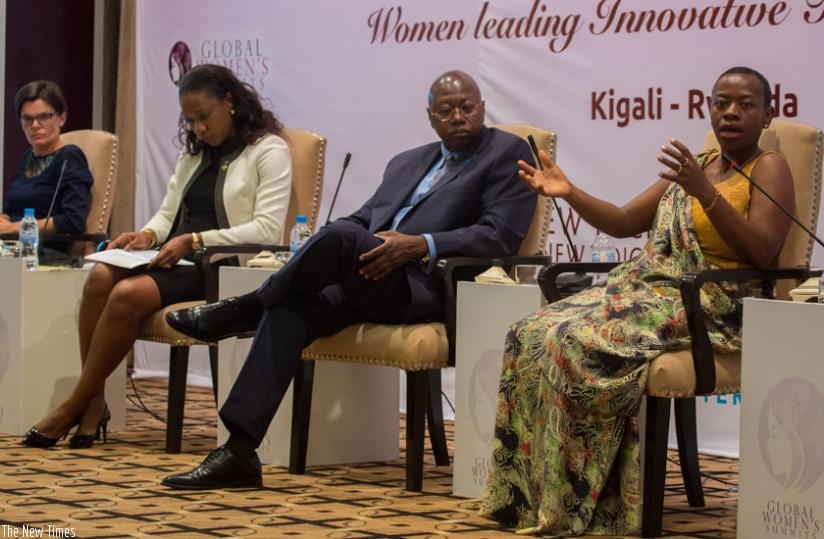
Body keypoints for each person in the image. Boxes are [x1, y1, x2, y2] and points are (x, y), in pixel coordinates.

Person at [160, 69, 538, 490]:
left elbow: (499, 233)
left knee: (338, 239)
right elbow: (361, 219)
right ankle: (239, 452)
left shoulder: (508, 152)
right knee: (290, 309)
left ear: (482, 108)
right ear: (430, 116)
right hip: (365, 279)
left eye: (467, 107)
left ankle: (245, 309)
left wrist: (419, 244)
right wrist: (340, 241)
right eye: (446, 110)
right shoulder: (409, 161)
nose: (458, 116)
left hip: (423, 285)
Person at [479, 66, 794, 536]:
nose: (730, 112)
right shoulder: (700, 162)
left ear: (768, 114)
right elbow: (625, 221)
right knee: (528, 333)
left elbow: (763, 251)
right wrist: (569, 192)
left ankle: (585, 503)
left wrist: (705, 192)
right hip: (656, 292)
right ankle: (527, 500)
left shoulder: (769, 167)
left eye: (745, 104)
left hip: (716, 304)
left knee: (578, 341)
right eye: (721, 101)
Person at [22, 64, 292, 449]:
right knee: (99, 276)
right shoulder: (195, 152)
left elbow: (267, 230)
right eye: (190, 120)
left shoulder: (268, 150)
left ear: (229, 102)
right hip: (176, 255)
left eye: (204, 117)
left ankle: (74, 405)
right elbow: (168, 214)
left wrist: (195, 241)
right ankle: (94, 401)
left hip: (223, 266)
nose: (198, 128)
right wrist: (146, 234)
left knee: (127, 295)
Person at [0, 81, 93, 244]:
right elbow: (10, 210)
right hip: (10, 246)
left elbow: (73, 220)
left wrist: (16, 227)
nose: (35, 125)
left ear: (61, 118)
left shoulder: (70, 157)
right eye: (27, 119)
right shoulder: (27, 158)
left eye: (43, 117)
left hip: (44, 251)